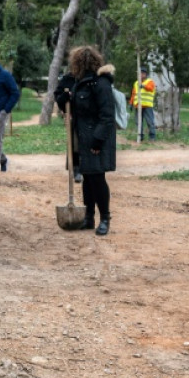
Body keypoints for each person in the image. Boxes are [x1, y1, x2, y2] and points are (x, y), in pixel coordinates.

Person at [54, 46, 117, 236]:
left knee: (97, 178)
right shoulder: (79, 83)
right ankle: (89, 218)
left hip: (96, 139)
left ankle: (105, 218)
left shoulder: (100, 84)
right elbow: (72, 107)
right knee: (87, 179)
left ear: (79, 63)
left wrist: (97, 141)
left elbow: (107, 116)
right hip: (82, 138)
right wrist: (64, 99)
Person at [130, 67, 156, 141]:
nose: (139, 75)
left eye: (141, 73)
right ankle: (140, 136)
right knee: (138, 122)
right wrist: (131, 103)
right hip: (138, 106)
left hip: (147, 105)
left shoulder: (150, 81)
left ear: (145, 74)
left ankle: (152, 137)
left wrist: (143, 86)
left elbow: (151, 88)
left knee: (150, 122)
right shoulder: (136, 83)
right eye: (139, 74)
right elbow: (133, 94)